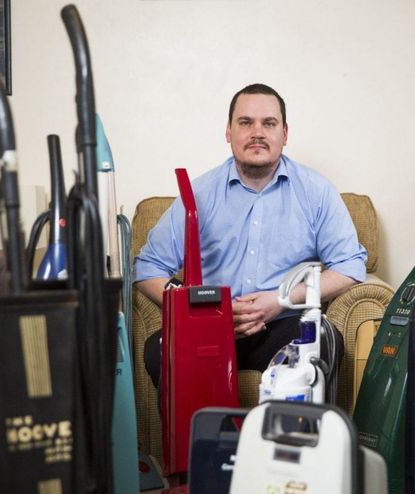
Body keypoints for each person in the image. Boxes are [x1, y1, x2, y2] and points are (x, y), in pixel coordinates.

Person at [134, 83, 367, 400]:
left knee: (322, 341)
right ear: (229, 131)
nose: (257, 133)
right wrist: (202, 309)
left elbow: (350, 266)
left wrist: (281, 299)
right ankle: (203, 433)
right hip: (210, 328)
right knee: (159, 349)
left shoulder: (316, 191)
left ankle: (282, 433)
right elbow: (147, 268)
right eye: (246, 122)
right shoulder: (198, 194)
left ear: (284, 133)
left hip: (283, 324)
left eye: (269, 123)